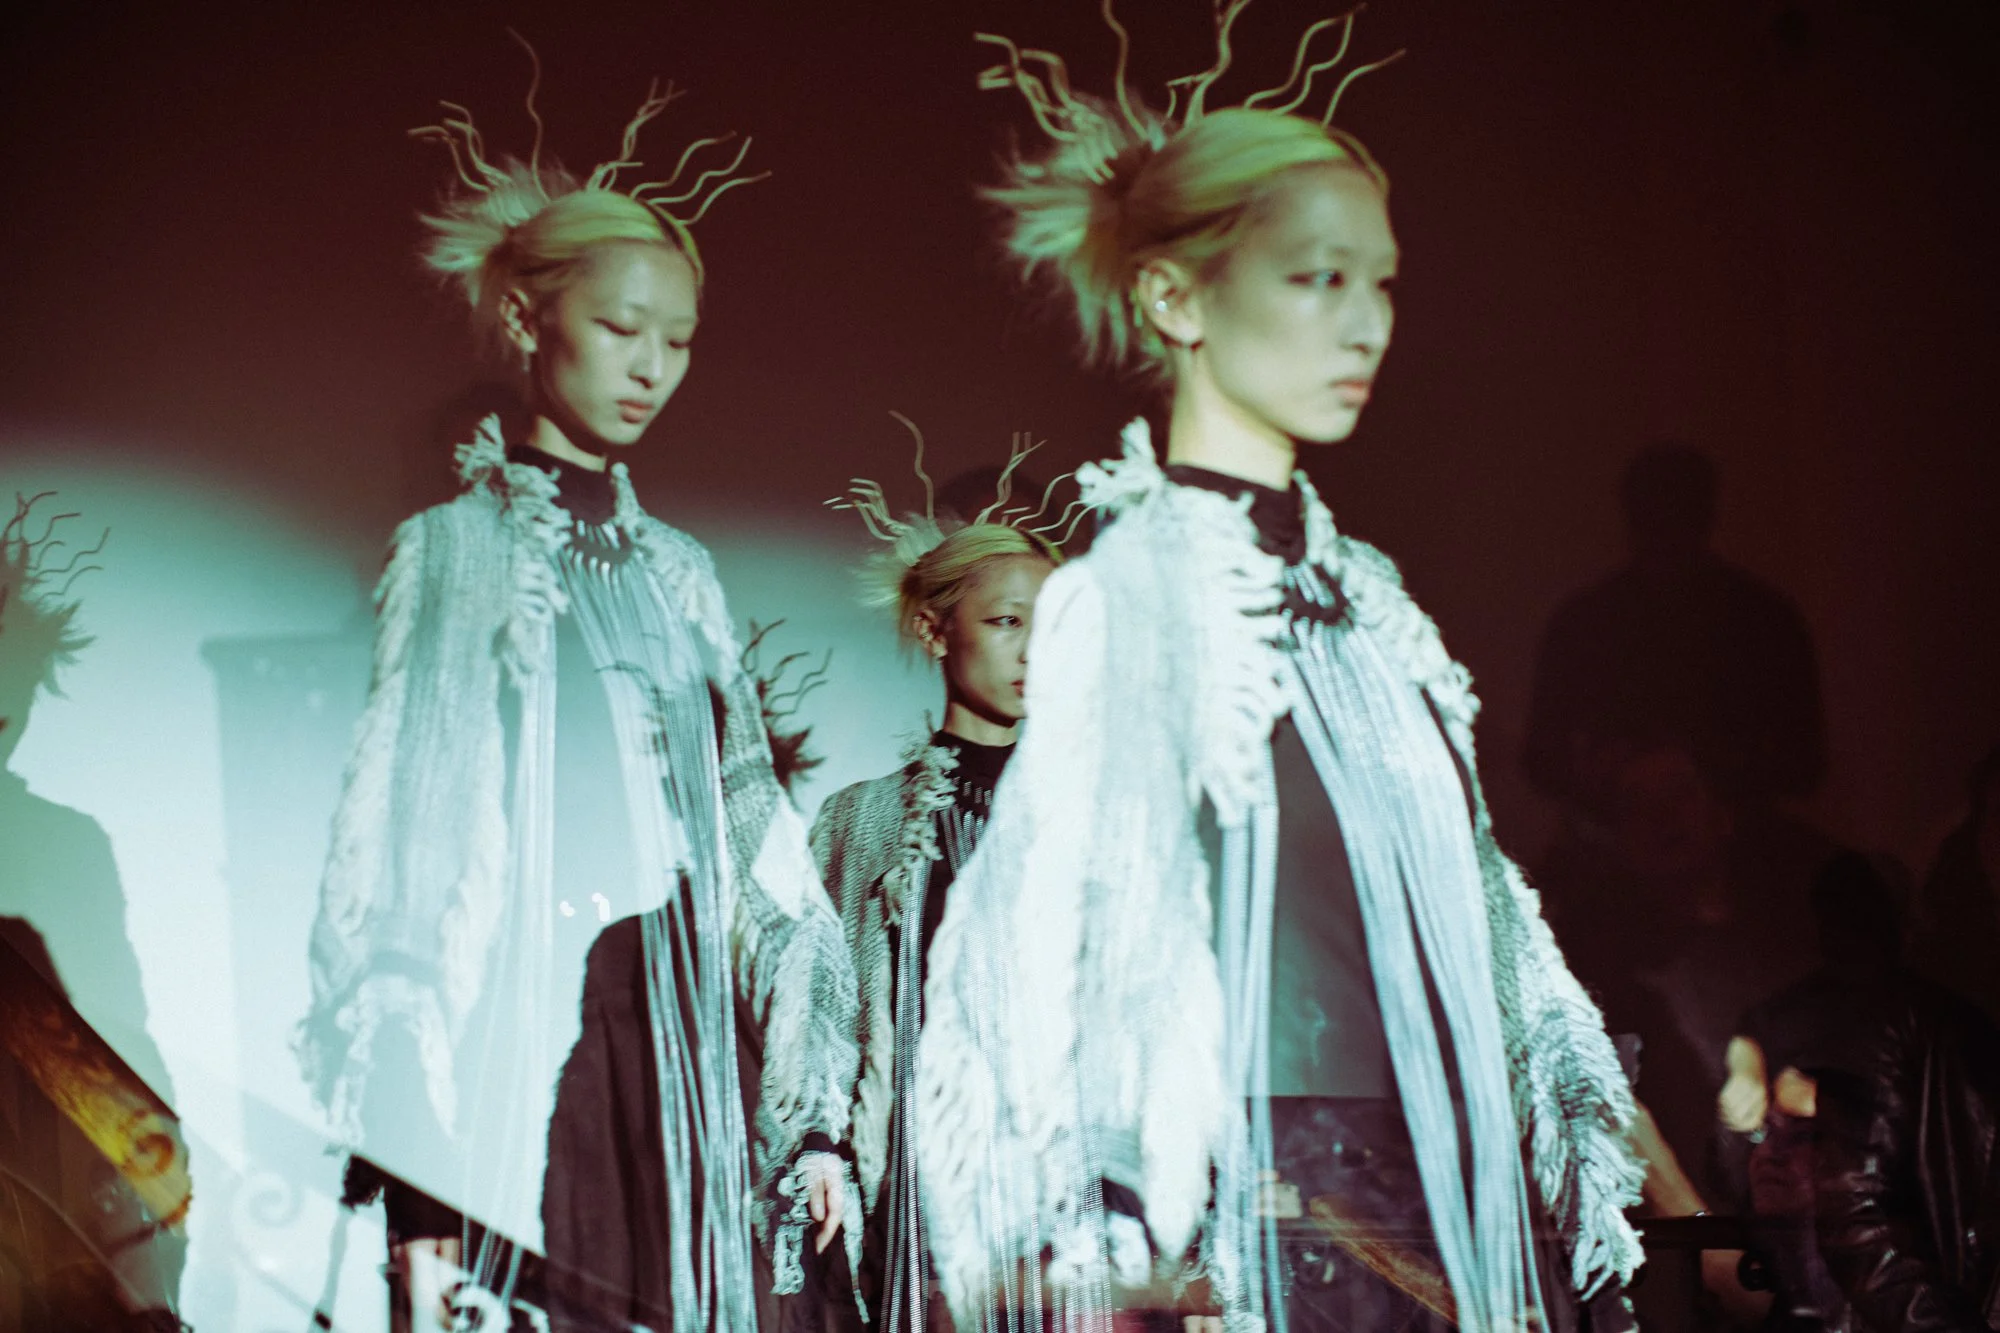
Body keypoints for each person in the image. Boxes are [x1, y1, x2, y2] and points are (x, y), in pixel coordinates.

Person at [915, 6, 1645, 1333]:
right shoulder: (1128, 599)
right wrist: (1102, 1232)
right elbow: (1051, 945)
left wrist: (1604, 1143)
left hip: (1443, 1195)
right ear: (1174, 296)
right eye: (1316, 277)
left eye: (1381, 282)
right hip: (1252, 1208)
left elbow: (1486, 912)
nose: (1366, 325)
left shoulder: (1373, 607)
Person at [294, 47, 856, 1332]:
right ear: (524, 322)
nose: (651, 365)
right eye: (619, 328)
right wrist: (419, 1196)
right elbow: (407, 841)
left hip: (682, 1029)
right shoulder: (458, 550)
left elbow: (753, 830)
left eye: (678, 340)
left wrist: (812, 1111)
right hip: (535, 1028)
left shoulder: (682, 573)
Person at [811, 429, 1066, 1333]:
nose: (1034, 650)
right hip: (922, 1196)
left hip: (1065, 1190)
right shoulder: (864, 821)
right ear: (934, 628)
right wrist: (820, 1146)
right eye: (1006, 622)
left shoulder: (1092, 822)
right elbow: (825, 1009)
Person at [1525, 443, 1826, 817]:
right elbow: (1542, 762)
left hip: (1706, 836)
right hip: (1647, 838)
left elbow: (1805, 765)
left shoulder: (1582, 622)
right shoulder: (1767, 617)